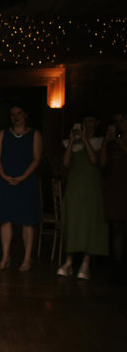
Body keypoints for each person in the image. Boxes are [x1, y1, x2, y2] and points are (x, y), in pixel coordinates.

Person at [0, 105, 43, 271]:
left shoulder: (34, 134)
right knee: (5, 219)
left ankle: (27, 258)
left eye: (19, 113)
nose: (16, 117)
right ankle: (5, 256)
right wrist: (4, 175)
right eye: (12, 114)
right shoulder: (3, 134)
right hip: (6, 180)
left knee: (27, 220)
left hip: (25, 180)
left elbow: (36, 158)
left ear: (25, 115)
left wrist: (23, 176)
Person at [58, 115, 108, 280]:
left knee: (90, 222)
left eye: (91, 120)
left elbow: (94, 160)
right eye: (85, 121)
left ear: (97, 123)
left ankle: (85, 263)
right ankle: (69, 262)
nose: (87, 124)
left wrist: (85, 139)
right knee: (73, 220)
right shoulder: (71, 143)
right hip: (75, 185)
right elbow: (65, 163)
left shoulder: (99, 141)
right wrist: (72, 140)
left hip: (91, 186)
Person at [101, 112, 127, 281]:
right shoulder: (111, 143)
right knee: (115, 224)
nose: (119, 124)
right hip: (114, 186)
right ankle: (116, 266)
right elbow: (102, 164)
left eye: (122, 120)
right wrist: (106, 142)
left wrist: (121, 144)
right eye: (116, 121)